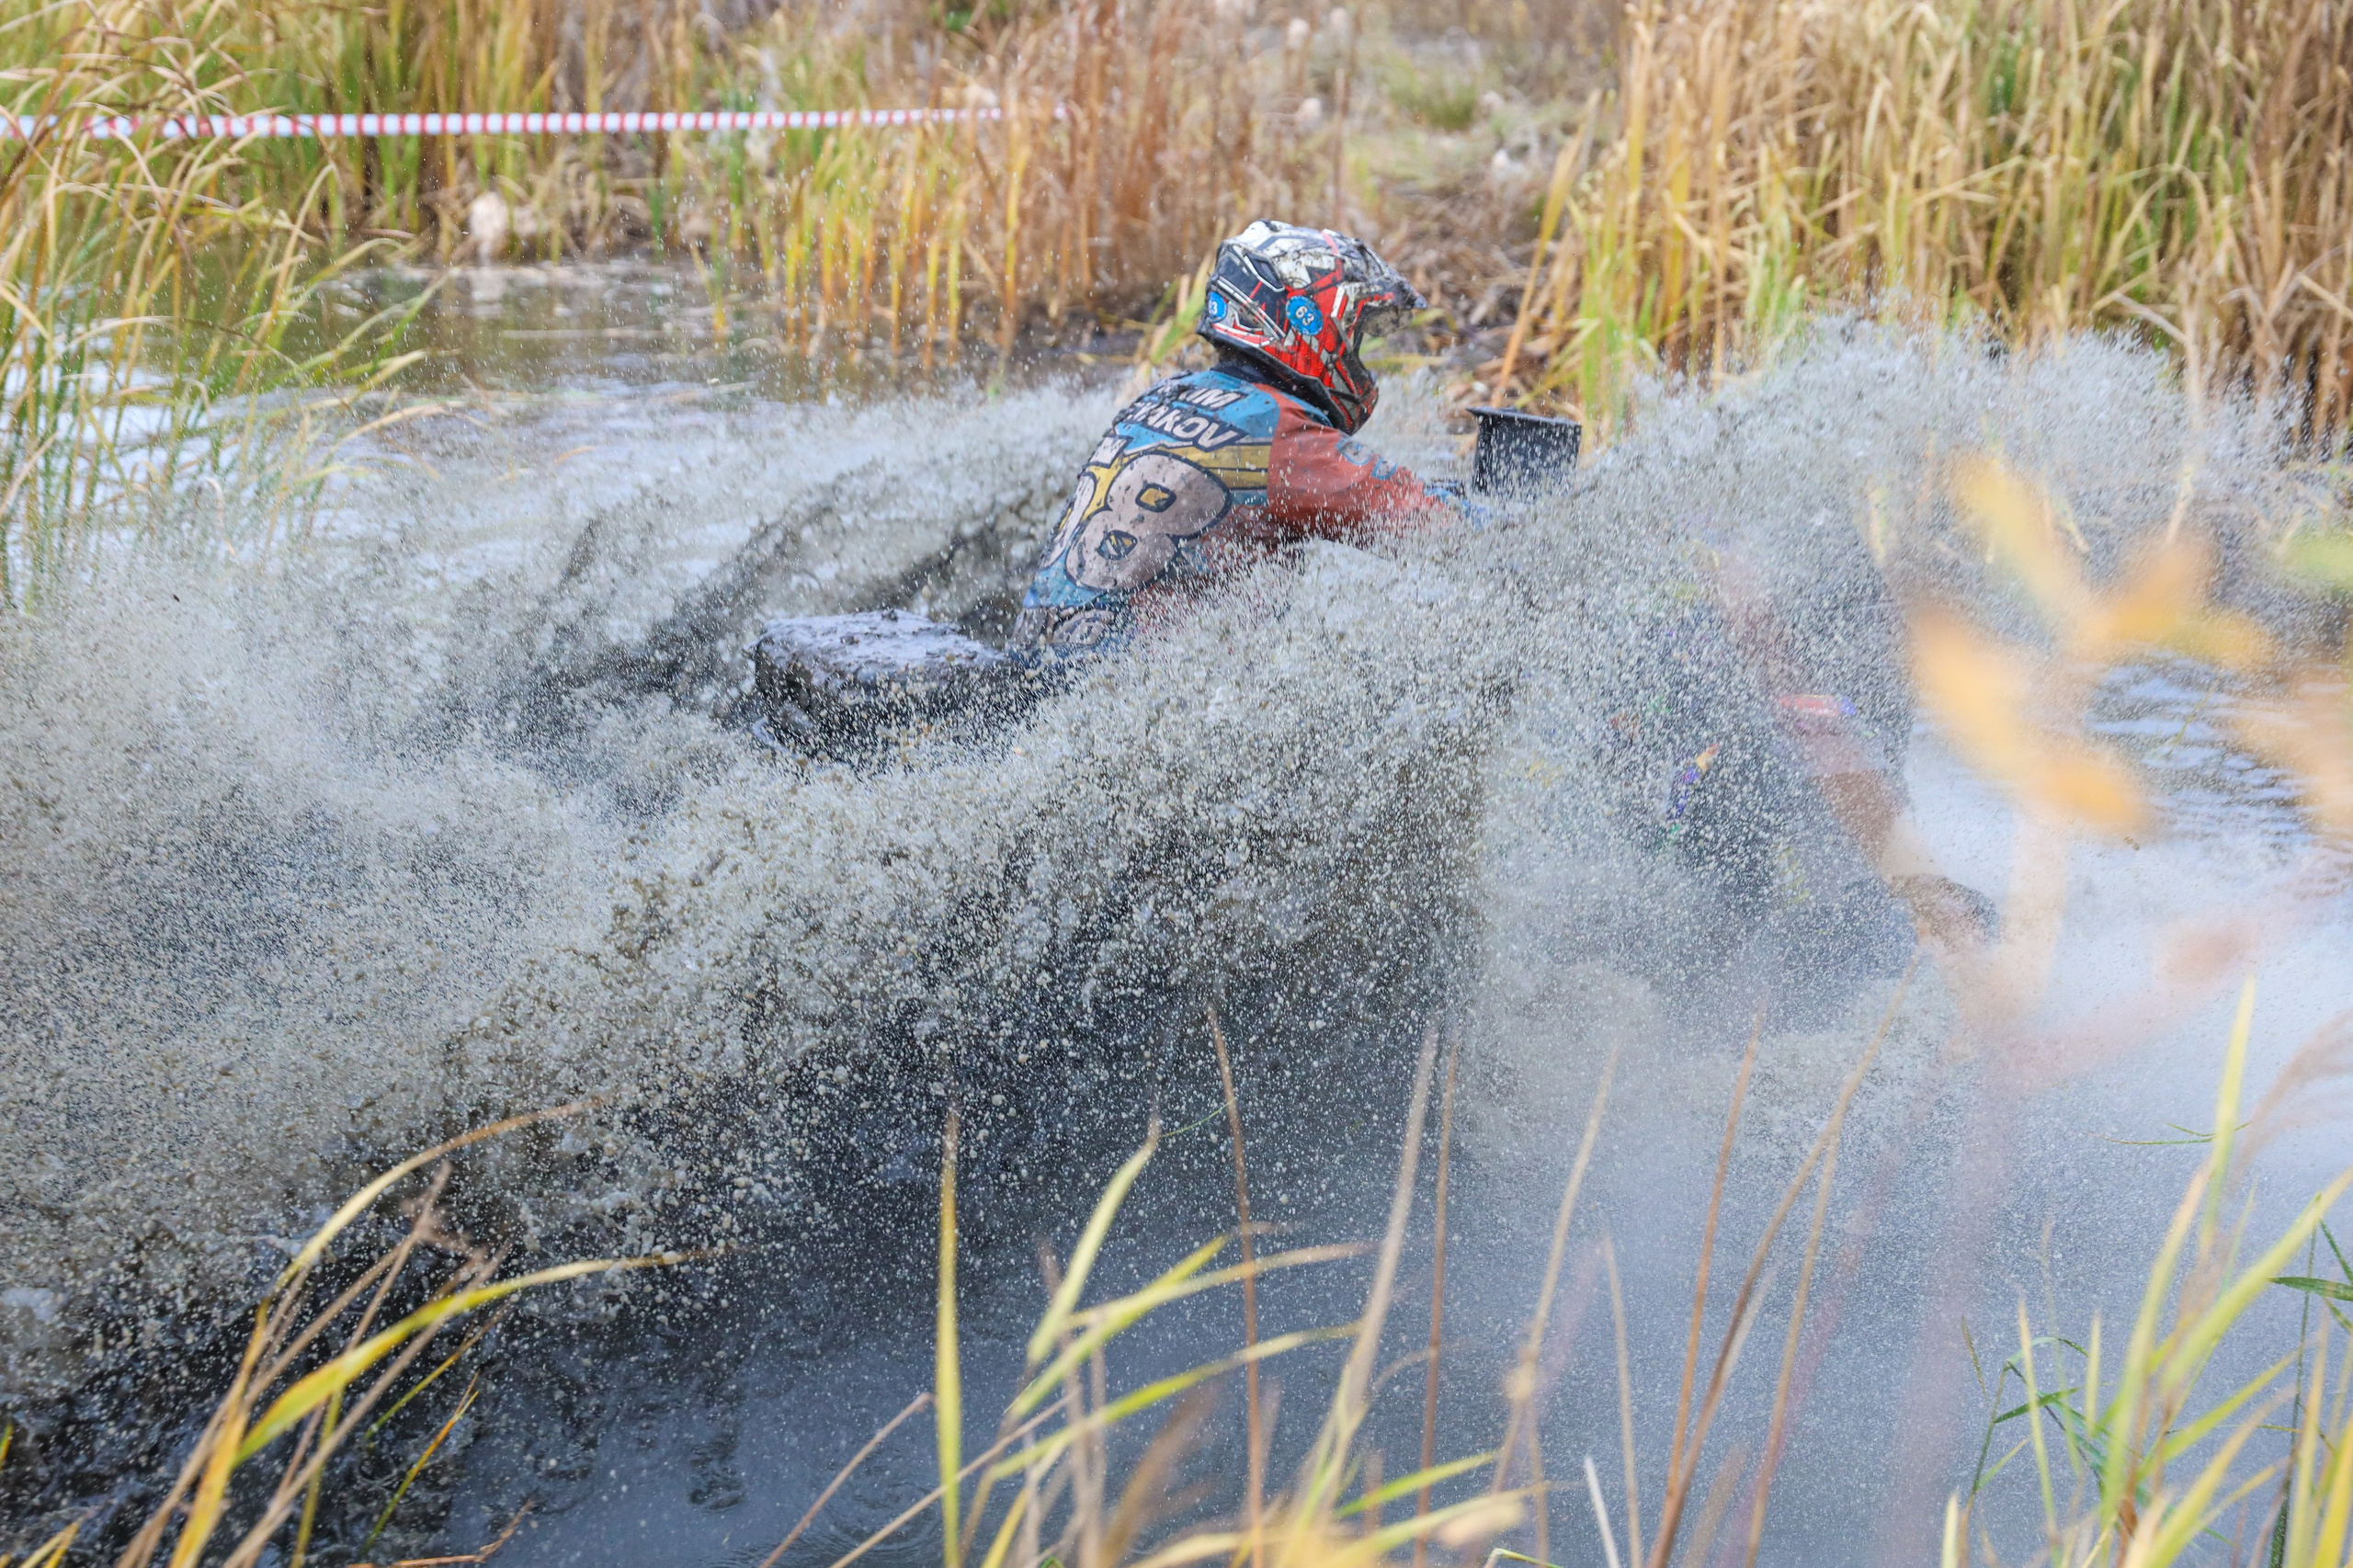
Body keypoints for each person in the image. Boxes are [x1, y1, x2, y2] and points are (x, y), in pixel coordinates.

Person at [1010, 219, 1467, 656]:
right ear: (1309, 322)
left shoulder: (1159, 398)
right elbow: (1433, 526)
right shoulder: (1278, 429)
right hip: (1120, 688)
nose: (1356, 350)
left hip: (1032, 678)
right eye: (1355, 333)